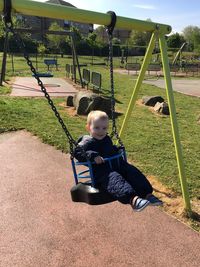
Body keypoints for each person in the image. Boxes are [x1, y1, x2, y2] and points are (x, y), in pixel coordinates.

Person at [74, 110, 163, 211]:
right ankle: (134, 200)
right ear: (88, 127)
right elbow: (77, 152)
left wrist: (116, 150)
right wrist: (92, 156)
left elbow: (109, 149)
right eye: (96, 128)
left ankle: (147, 195)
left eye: (104, 128)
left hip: (117, 165)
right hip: (102, 172)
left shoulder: (106, 138)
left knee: (131, 171)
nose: (101, 131)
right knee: (115, 179)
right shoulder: (86, 142)